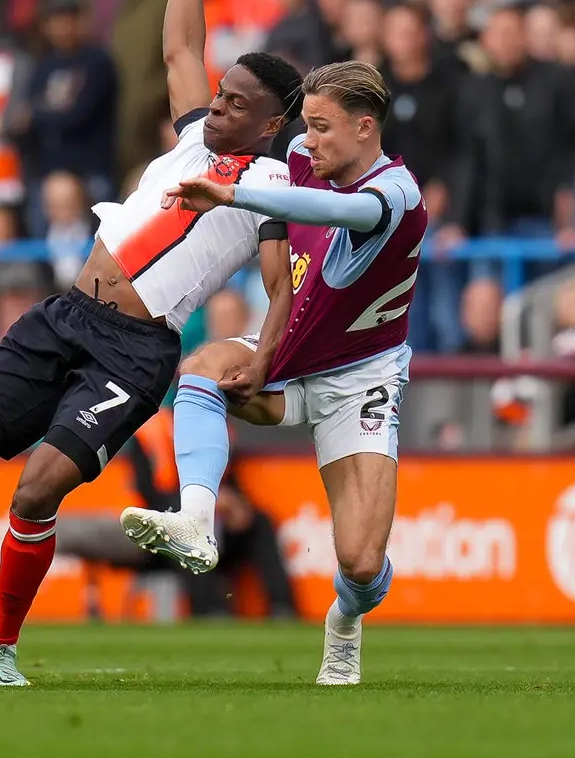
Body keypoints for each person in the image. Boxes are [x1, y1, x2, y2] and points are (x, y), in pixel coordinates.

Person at [0, 0, 302, 687]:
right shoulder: (194, 140)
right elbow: (180, 49)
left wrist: (264, 348)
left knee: (37, 488)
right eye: (217, 98)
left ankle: (1, 648)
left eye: (234, 106)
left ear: (270, 123)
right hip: (62, 316)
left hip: (133, 352)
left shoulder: (267, 188)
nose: (214, 108)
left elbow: (277, 279)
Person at [122, 60, 427, 686]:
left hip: (358, 376)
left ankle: (345, 619)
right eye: (305, 126)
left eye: (321, 128)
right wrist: (263, 348)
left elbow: (321, 208)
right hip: (288, 349)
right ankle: (197, 521)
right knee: (202, 368)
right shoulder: (297, 155)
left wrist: (232, 193)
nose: (306, 141)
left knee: (362, 564)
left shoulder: (397, 195)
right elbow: (281, 252)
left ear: (365, 128)